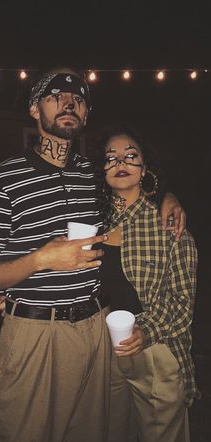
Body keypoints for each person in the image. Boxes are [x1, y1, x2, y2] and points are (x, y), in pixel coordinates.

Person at [0, 68, 186, 442]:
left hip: (96, 330)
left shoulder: (94, 174)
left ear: (86, 115)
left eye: (78, 98)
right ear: (34, 109)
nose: (68, 102)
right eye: (55, 95)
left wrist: (170, 198)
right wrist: (40, 260)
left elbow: (140, 182)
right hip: (35, 333)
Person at [95, 125, 199, 442]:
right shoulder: (94, 224)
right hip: (104, 350)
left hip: (155, 350)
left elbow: (182, 301)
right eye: (110, 158)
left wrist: (147, 330)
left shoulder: (168, 223)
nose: (120, 162)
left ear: (145, 168)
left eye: (130, 155)